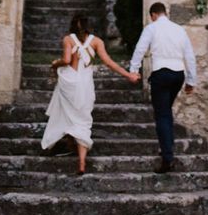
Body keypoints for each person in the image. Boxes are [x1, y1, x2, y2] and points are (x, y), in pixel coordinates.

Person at [41, 14, 139, 175]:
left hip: (69, 84)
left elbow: (66, 60)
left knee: (67, 116)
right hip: (85, 85)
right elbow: (108, 62)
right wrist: (128, 75)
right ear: (89, 25)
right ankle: (81, 162)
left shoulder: (68, 39)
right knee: (82, 121)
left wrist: (54, 64)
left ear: (73, 25)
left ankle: (70, 144)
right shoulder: (96, 41)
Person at [129, 2, 197, 174]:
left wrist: (134, 70)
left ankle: (168, 157)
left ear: (153, 14)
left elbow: (140, 49)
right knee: (166, 110)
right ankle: (167, 146)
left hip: (161, 74)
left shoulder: (151, 28)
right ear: (165, 13)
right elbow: (189, 55)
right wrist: (191, 80)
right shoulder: (179, 29)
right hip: (178, 75)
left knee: (162, 114)